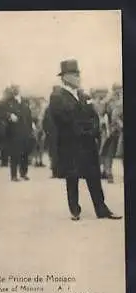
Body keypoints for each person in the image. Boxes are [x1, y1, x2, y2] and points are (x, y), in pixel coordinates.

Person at [49, 59, 122, 221]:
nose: (78, 77)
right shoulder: (57, 96)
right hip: (70, 143)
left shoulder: (83, 95)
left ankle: (101, 209)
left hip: (88, 143)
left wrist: (93, 130)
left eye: (78, 74)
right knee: (72, 176)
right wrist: (84, 130)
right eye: (75, 75)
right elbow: (64, 120)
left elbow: (94, 116)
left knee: (94, 175)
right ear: (65, 77)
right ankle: (75, 209)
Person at [0, 84, 34, 181]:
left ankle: (23, 173)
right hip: (14, 132)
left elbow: (29, 115)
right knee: (14, 154)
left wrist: (31, 128)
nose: (16, 90)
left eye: (17, 88)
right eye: (14, 88)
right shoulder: (8, 101)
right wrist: (9, 115)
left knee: (25, 153)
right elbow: (2, 112)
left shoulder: (24, 101)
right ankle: (14, 175)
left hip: (25, 131)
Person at [100, 83, 123, 183]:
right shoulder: (108, 101)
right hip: (112, 130)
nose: (118, 91)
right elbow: (101, 114)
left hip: (120, 131)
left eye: (120, 89)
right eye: (117, 89)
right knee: (109, 152)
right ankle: (108, 172)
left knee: (122, 153)